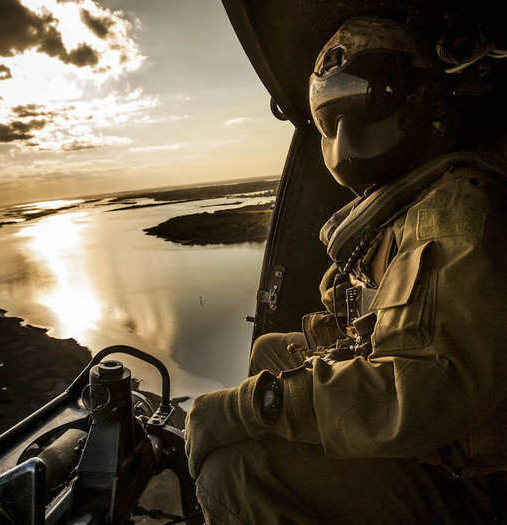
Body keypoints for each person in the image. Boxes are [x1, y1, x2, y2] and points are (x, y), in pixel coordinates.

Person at [185, 16, 507, 524]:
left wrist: (258, 404)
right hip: (432, 443)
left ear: (421, 103)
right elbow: (391, 334)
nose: (344, 131)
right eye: (330, 116)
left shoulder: (452, 210)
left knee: (236, 470)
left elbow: (429, 393)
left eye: (362, 103)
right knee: (271, 349)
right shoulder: (407, 208)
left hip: (469, 482)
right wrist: (327, 335)